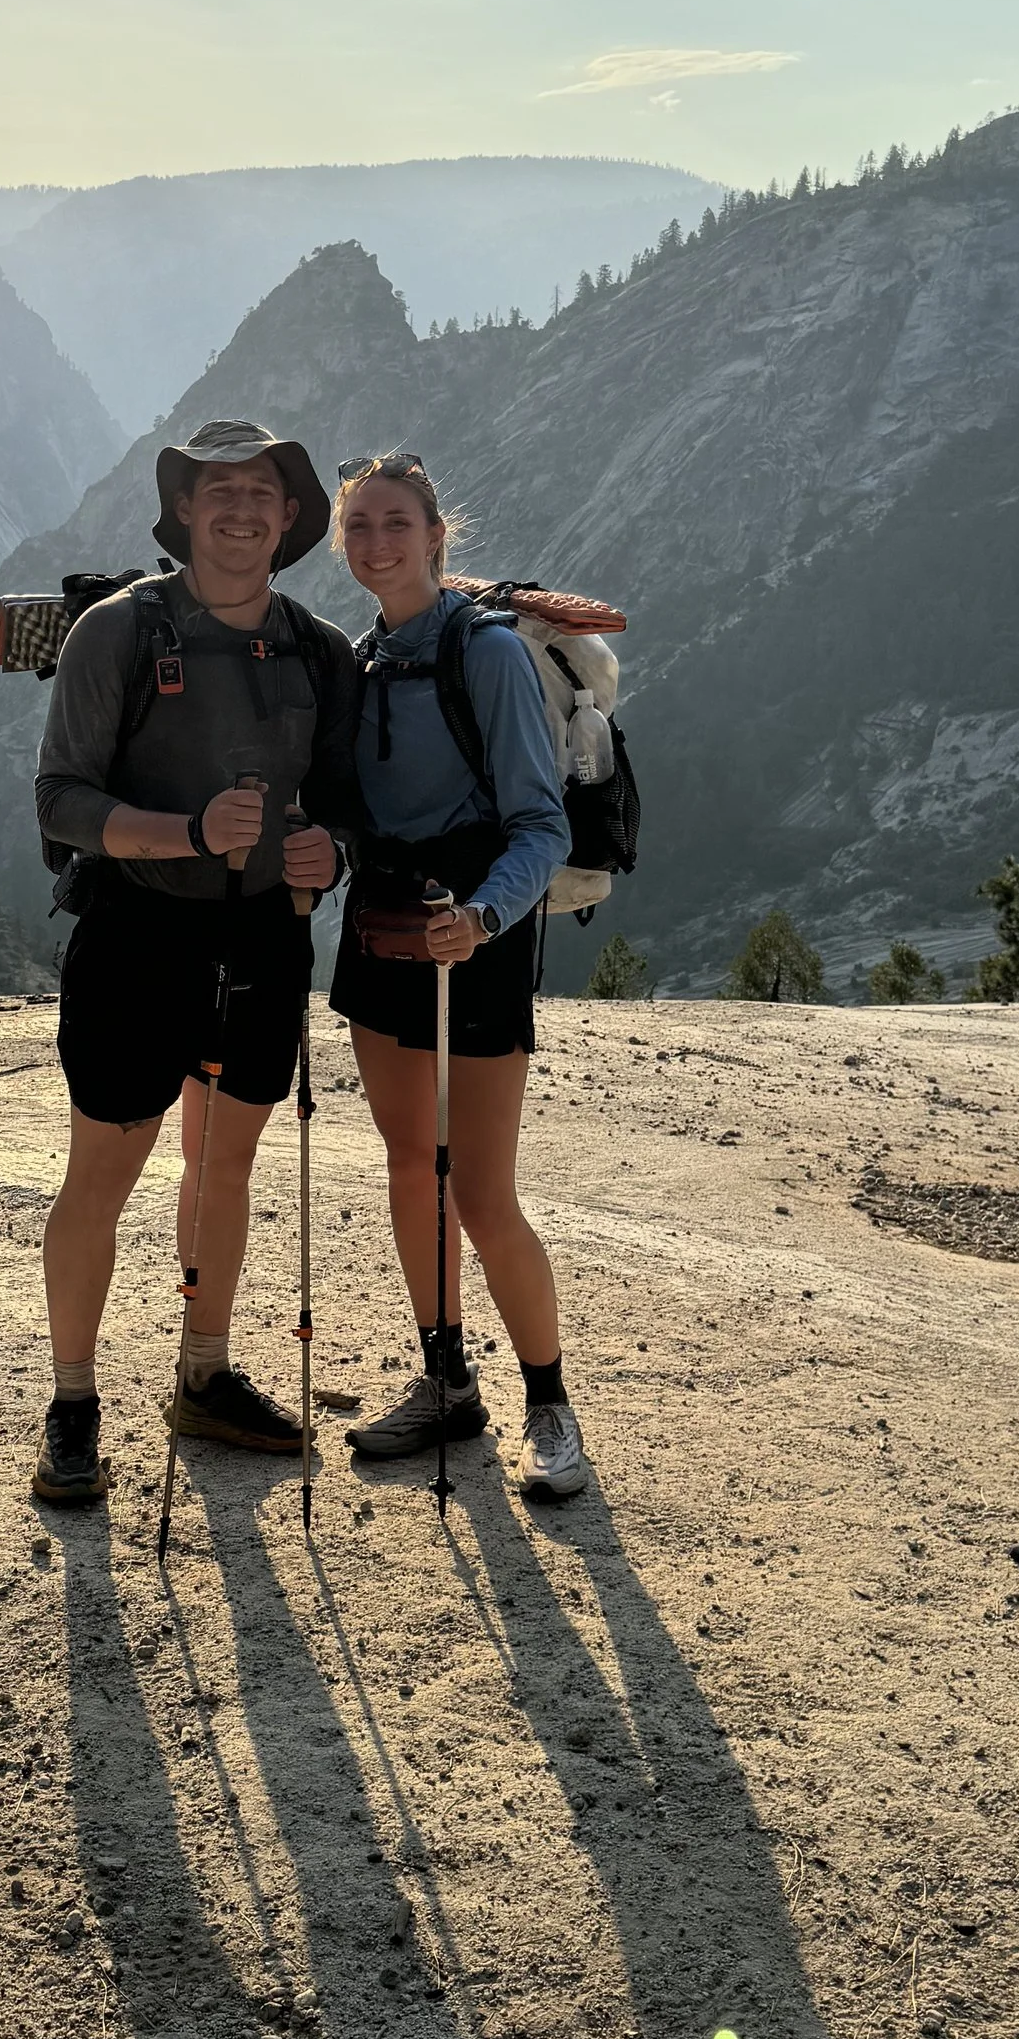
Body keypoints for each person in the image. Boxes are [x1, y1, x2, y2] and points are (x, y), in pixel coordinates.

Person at [28, 418, 360, 1508]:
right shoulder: (118, 634)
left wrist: (330, 849)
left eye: (261, 491)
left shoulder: (318, 649)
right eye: (217, 490)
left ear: (290, 517)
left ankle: (202, 1374)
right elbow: (61, 801)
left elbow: (344, 801)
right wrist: (187, 833)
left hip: (262, 936)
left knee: (224, 1166)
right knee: (104, 1173)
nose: (239, 508)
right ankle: (73, 1406)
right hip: (136, 936)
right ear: (181, 511)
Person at [329, 453, 589, 1499]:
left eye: (395, 524)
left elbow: (540, 823)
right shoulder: (359, 660)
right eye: (359, 529)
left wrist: (480, 919)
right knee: (406, 1165)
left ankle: (548, 1402)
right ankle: (447, 1382)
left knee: (479, 1190)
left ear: (437, 534)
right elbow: (355, 809)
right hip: (380, 927)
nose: (377, 544)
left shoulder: (484, 654)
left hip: (471, 933)